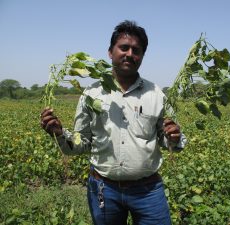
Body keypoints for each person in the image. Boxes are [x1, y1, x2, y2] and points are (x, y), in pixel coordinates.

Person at [40, 20, 187, 225]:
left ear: (142, 56)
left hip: (148, 191)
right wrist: (58, 133)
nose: (129, 54)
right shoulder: (91, 93)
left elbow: (170, 140)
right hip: (104, 188)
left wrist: (175, 137)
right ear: (110, 52)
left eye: (136, 50)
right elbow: (81, 142)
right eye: (123, 47)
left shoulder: (157, 94)